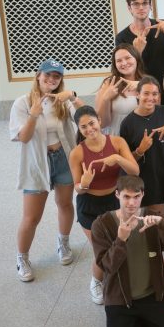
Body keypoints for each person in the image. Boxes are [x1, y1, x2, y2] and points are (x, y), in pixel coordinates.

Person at [91, 175, 164, 327]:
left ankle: (139, 323)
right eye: (126, 197)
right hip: (120, 298)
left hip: (150, 295)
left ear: (143, 195)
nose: (131, 202)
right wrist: (121, 239)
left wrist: (162, 224)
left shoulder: (152, 217)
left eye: (136, 196)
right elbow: (107, 267)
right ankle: (133, 324)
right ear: (117, 194)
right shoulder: (102, 225)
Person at [10, 59, 84, 281]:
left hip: (64, 157)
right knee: (32, 216)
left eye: (57, 76)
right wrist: (33, 114)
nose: (51, 80)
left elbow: (87, 117)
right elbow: (23, 137)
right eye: (48, 75)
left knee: (64, 204)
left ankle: (63, 243)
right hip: (37, 161)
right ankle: (22, 258)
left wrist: (71, 95)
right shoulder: (22, 103)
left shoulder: (61, 101)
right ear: (38, 75)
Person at [68, 106, 139, 304]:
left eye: (92, 123)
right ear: (79, 130)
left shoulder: (117, 142)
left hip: (113, 203)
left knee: (120, 243)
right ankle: (96, 281)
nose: (89, 129)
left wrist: (117, 158)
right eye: (83, 127)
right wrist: (85, 183)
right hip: (89, 205)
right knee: (102, 249)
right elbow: (77, 188)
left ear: (99, 120)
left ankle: (120, 277)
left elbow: (135, 170)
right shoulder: (76, 153)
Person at [120, 76, 164, 227]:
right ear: (137, 94)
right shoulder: (127, 124)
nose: (151, 98)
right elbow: (127, 163)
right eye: (146, 93)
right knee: (159, 227)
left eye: (155, 94)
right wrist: (140, 150)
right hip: (150, 181)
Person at [115, 0, 164, 98]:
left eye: (145, 3)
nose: (141, 8)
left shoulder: (162, 26)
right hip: (140, 91)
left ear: (150, 6)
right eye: (136, 4)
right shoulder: (122, 37)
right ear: (129, 8)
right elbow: (124, 70)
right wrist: (137, 52)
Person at [95, 44, 145, 136]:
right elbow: (102, 123)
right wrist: (106, 99)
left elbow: (155, 113)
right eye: (119, 60)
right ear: (115, 64)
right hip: (116, 138)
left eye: (128, 58)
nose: (124, 63)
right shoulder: (109, 83)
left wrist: (140, 85)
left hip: (141, 139)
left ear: (136, 58)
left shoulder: (147, 82)